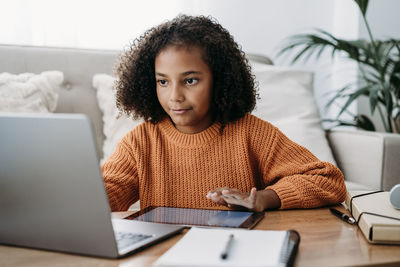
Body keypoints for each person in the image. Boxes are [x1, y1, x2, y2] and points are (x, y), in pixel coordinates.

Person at [102, 15, 346, 212]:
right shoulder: (140, 142)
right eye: (163, 82)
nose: (174, 95)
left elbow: (327, 179)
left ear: (219, 80)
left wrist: (264, 198)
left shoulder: (252, 133)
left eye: (189, 80)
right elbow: (107, 191)